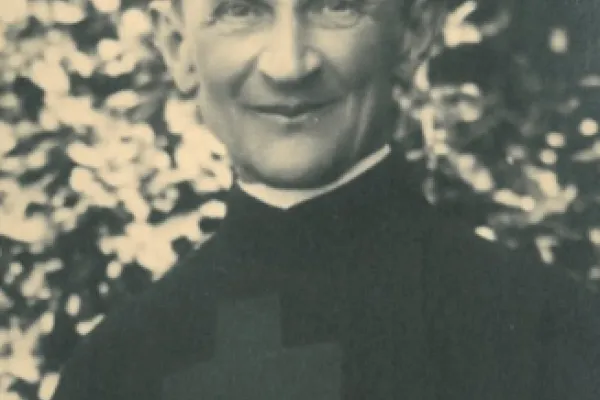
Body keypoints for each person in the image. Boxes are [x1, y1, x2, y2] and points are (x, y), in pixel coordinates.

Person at [51, 0, 600, 399]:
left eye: (335, 6)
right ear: (179, 48)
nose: (289, 66)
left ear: (413, 33)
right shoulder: (111, 372)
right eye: (241, 10)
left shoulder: (550, 333)